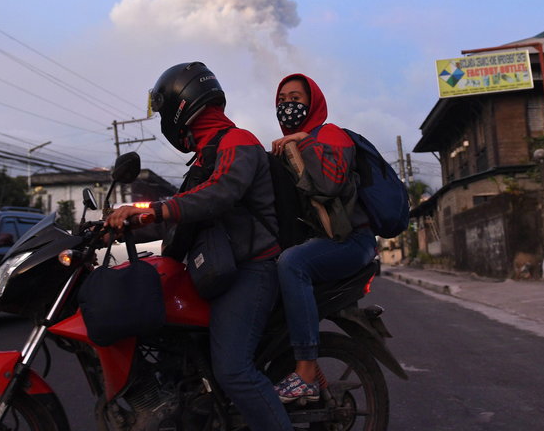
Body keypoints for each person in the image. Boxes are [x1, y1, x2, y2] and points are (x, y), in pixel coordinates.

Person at [106, 62, 293, 431]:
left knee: (234, 370)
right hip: (221, 268)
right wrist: (120, 227)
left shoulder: (238, 142)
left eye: (164, 112)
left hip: (253, 268)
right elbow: (187, 215)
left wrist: (150, 213)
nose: (164, 123)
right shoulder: (205, 157)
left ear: (182, 106)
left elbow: (219, 195)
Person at [270, 73, 378, 403]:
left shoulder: (330, 135)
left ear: (313, 102)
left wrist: (302, 142)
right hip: (326, 241)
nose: (288, 106)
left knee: (293, 264)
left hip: (352, 242)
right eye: (282, 101)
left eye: (296, 99)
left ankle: (305, 370)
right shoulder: (288, 148)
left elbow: (330, 185)